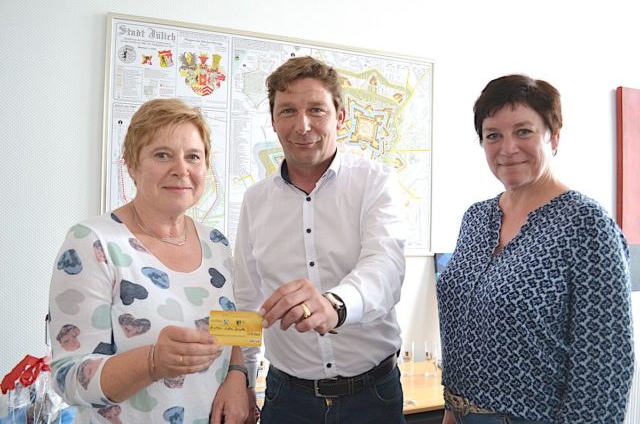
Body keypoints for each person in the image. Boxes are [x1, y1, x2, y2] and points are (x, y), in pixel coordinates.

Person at [437, 75, 634, 424]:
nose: (507, 148)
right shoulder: (477, 217)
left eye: (523, 132)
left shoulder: (585, 223)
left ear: (553, 136)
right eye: (493, 135)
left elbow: (604, 364)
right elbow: (461, 328)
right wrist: (453, 409)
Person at [48, 98, 248, 424]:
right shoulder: (93, 243)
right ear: (131, 165)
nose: (181, 169)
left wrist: (238, 376)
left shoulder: (217, 245)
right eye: (162, 154)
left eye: (193, 157)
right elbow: (68, 377)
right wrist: (153, 361)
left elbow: (232, 328)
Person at [234, 56, 408, 423]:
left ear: (340, 117)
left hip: (372, 397)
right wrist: (242, 377)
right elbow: (247, 297)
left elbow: (385, 267)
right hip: (287, 400)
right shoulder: (255, 201)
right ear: (273, 121)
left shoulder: (375, 183)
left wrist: (336, 305)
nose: (302, 125)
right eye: (288, 111)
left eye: (316, 109)